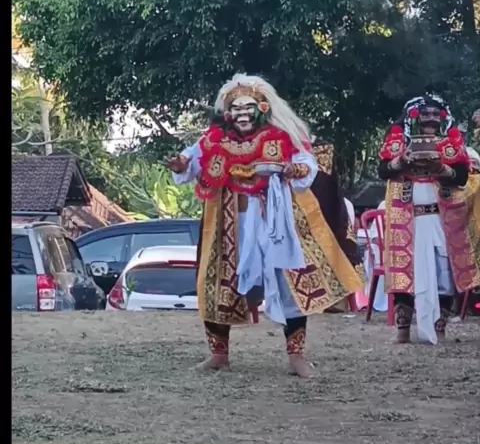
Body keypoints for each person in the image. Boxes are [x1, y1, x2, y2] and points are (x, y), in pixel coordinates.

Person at [166, 74, 363, 376]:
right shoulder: (213, 139)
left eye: (248, 108)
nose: (241, 114)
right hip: (228, 221)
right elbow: (190, 161)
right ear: (227, 113)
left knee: (289, 283)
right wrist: (181, 165)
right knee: (217, 281)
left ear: (262, 108)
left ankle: (296, 356)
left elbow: (307, 165)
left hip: (273, 220)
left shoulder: (282, 136)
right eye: (235, 109)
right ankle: (219, 354)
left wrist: (291, 169)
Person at [378, 94, 479, 344]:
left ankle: (439, 327)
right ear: (415, 116)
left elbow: (462, 177)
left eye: (435, 114)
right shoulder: (400, 141)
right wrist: (402, 161)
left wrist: (441, 169)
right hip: (407, 218)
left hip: (440, 218)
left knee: (444, 271)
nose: (431, 119)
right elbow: (383, 170)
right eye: (425, 114)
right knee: (404, 270)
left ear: (442, 117)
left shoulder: (451, 143)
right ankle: (403, 331)